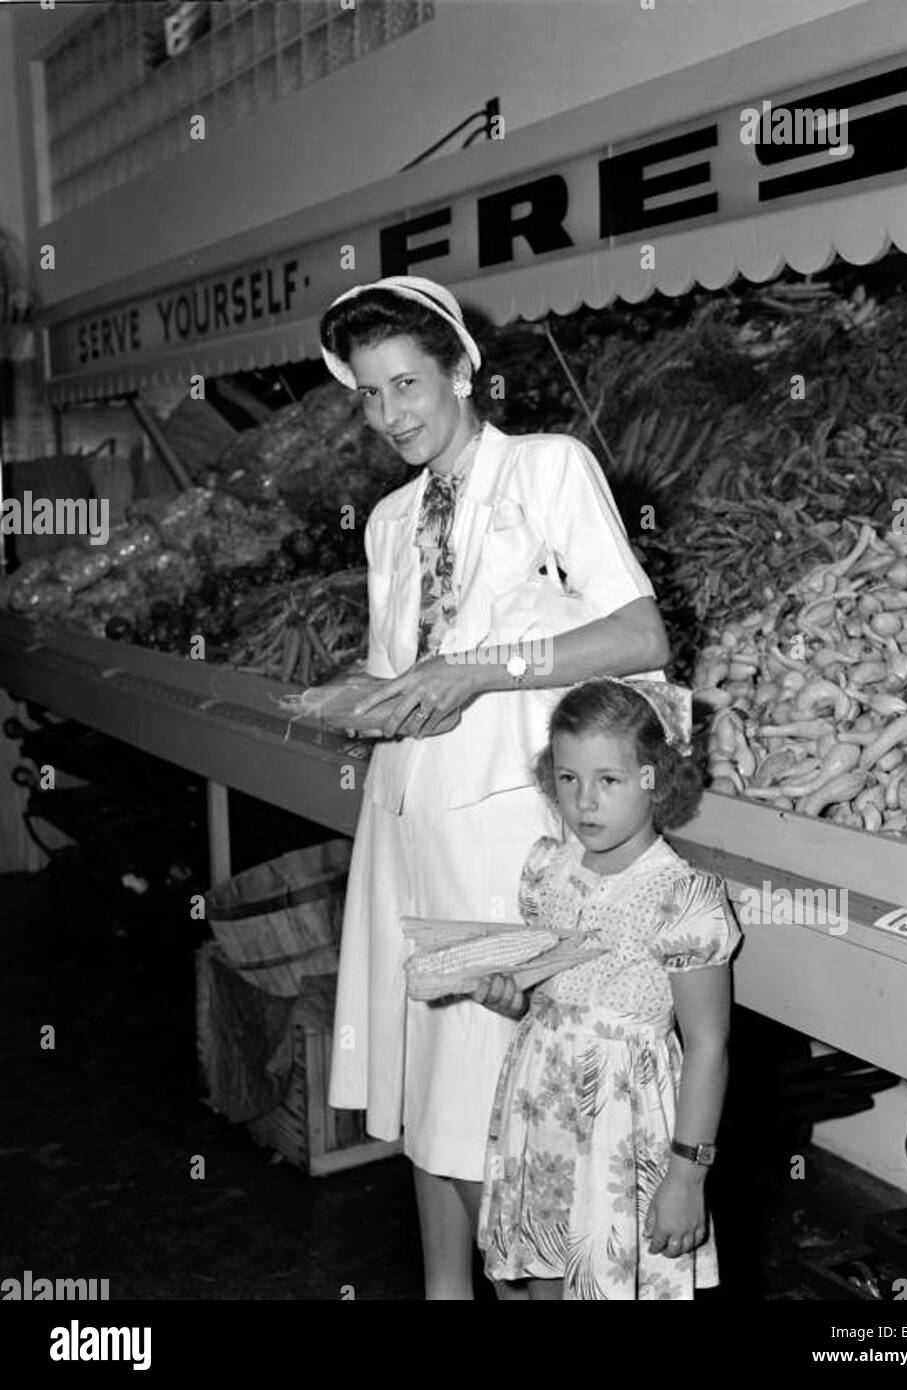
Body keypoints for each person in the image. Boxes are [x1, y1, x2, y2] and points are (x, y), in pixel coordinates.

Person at [317, 274, 670, 1300]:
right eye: (370, 395)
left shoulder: (547, 470)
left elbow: (637, 632)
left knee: (508, 1104)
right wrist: (360, 696)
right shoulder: (388, 522)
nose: (392, 414)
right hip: (406, 829)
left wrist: (482, 669)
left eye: (409, 383)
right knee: (430, 1085)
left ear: (462, 369)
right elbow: (411, 675)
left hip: (507, 846)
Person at [475, 676, 741, 1300]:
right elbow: (548, 996)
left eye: (609, 780)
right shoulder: (548, 871)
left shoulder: (683, 896)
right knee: (545, 1276)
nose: (584, 802)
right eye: (567, 779)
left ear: (655, 780)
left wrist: (687, 1176)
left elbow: (708, 1046)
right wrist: (514, 1001)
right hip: (544, 1116)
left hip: (625, 1131)